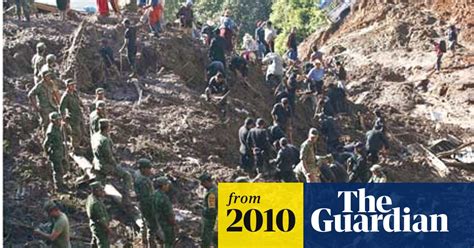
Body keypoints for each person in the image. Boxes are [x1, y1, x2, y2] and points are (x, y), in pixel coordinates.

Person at [91, 119, 133, 194]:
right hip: (105, 166)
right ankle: (126, 198)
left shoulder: (94, 136)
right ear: (107, 127)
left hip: (97, 164)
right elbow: (109, 157)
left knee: (100, 184)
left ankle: (99, 197)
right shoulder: (104, 140)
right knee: (127, 176)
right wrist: (116, 165)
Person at [134, 158, 161, 248]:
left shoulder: (140, 178)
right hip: (147, 206)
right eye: (148, 168)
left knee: (145, 225)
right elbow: (147, 197)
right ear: (143, 169)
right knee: (152, 226)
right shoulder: (143, 181)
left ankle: (145, 243)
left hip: (143, 205)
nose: (150, 171)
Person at [43, 112, 67, 191]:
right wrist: (48, 153)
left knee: (62, 168)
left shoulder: (57, 126)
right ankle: (59, 187)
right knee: (57, 170)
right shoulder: (51, 131)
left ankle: (61, 183)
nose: (59, 121)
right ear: (52, 121)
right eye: (57, 120)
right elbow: (45, 144)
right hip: (55, 152)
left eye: (59, 119)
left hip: (60, 150)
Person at [60, 79, 85, 150]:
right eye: (72, 85)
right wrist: (63, 118)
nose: (74, 86)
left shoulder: (75, 93)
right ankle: (75, 147)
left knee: (83, 131)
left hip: (79, 115)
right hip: (72, 117)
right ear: (68, 86)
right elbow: (62, 108)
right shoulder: (66, 96)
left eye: (74, 84)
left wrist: (83, 106)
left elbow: (79, 101)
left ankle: (78, 145)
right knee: (76, 133)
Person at [86, 181, 111, 248]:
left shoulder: (90, 197)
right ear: (95, 191)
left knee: (95, 242)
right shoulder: (95, 204)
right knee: (103, 244)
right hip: (100, 228)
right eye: (101, 190)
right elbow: (100, 220)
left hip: (94, 225)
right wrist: (108, 229)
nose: (103, 191)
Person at [153, 176, 176, 248]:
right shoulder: (164, 198)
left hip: (157, 222)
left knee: (161, 242)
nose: (168, 186)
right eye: (167, 184)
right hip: (165, 224)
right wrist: (174, 224)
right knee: (169, 242)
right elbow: (169, 215)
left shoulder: (154, 194)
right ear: (163, 186)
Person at [199, 173, 218, 248]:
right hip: (215, 220)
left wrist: (204, 210)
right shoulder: (216, 189)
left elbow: (211, 209)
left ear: (207, 182)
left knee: (206, 240)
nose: (202, 185)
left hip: (210, 221)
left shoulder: (211, 194)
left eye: (203, 183)